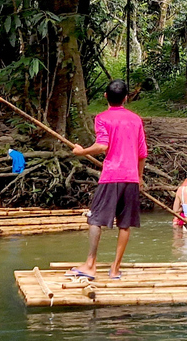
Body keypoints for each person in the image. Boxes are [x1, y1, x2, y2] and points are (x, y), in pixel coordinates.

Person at [67, 79, 147, 281]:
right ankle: (115, 269)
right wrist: (140, 177)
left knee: (95, 220)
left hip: (111, 176)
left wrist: (81, 151)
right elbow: (142, 153)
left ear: (105, 97)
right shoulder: (136, 119)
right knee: (125, 224)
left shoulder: (102, 118)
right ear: (126, 98)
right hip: (130, 177)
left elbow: (102, 146)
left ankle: (91, 265)